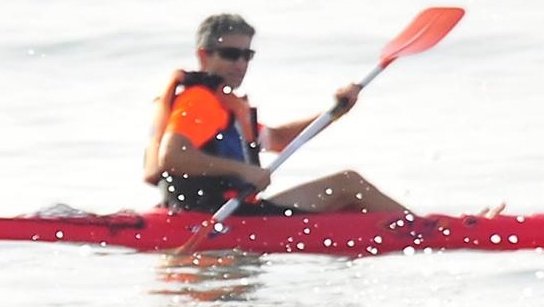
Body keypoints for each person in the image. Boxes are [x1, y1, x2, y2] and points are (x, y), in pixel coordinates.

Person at [145, 13, 413, 219]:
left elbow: (280, 139)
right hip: (216, 215)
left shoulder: (225, 106)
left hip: (236, 213)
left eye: (246, 55)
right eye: (230, 54)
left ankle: (416, 228)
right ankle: (427, 231)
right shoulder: (200, 102)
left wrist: (335, 112)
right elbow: (172, 157)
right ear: (204, 56)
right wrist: (243, 170)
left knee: (346, 191)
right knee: (349, 184)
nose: (240, 64)